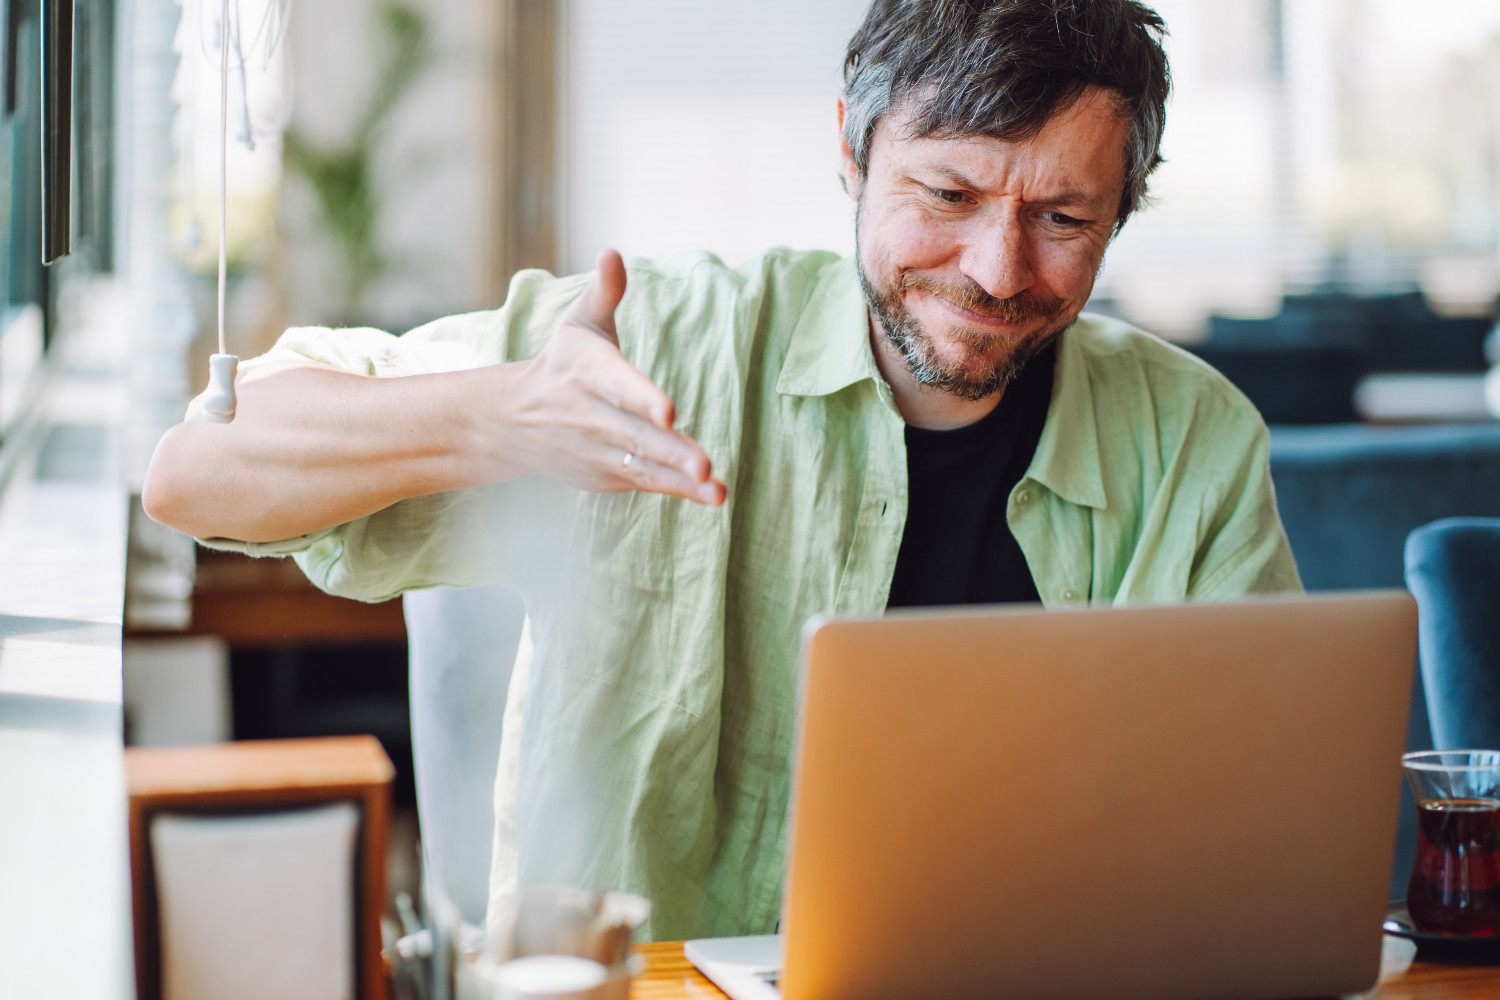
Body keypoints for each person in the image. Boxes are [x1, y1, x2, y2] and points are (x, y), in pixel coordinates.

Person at [144, 0, 1301, 940]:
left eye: (1061, 217)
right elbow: (198, 471)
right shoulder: (663, 342)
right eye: (947, 195)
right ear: (853, 149)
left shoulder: (1193, 437)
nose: (997, 269)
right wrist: (499, 417)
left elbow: (1260, 829)